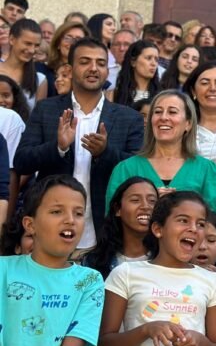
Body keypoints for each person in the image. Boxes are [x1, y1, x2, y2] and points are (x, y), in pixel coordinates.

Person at [95, 191, 216, 346]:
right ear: (158, 230)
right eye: (183, 220)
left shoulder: (213, 281)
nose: (193, 229)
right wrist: (147, 330)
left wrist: (199, 343)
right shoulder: (125, 274)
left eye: (201, 224)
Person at [15, 37, 145, 252]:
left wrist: (105, 153)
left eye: (101, 63)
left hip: (105, 234)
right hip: (50, 233)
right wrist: (58, 147)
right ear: (69, 68)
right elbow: (22, 162)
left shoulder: (128, 118)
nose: (94, 68)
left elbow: (138, 170)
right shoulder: (46, 109)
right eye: (85, 61)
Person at [0, 175, 104, 346]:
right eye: (57, 211)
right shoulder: (3, 270)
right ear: (30, 224)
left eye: (78, 213)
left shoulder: (89, 281)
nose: (70, 220)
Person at [81, 177, 157, 346]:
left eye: (153, 201)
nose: (145, 206)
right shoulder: (92, 265)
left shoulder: (171, 264)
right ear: (117, 209)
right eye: (135, 200)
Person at [106, 90, 216, 212]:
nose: (163, 117)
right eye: (157, 112)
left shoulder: (207, 170)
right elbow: (112, 218)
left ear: (188, 124)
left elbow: (213, 222)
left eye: (172, 112)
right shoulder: (125, 169)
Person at [0, 18, 47, 111]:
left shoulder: (39, 80)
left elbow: (36, 119)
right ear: (12, 39)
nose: (32, 50)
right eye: (27, 43)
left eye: (36, 45)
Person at [109, 40, 160, 107]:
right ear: (133, 62)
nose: (153, 63)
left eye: (156, 60)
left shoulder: (161, 95)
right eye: (148, 58)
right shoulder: (115, 94)